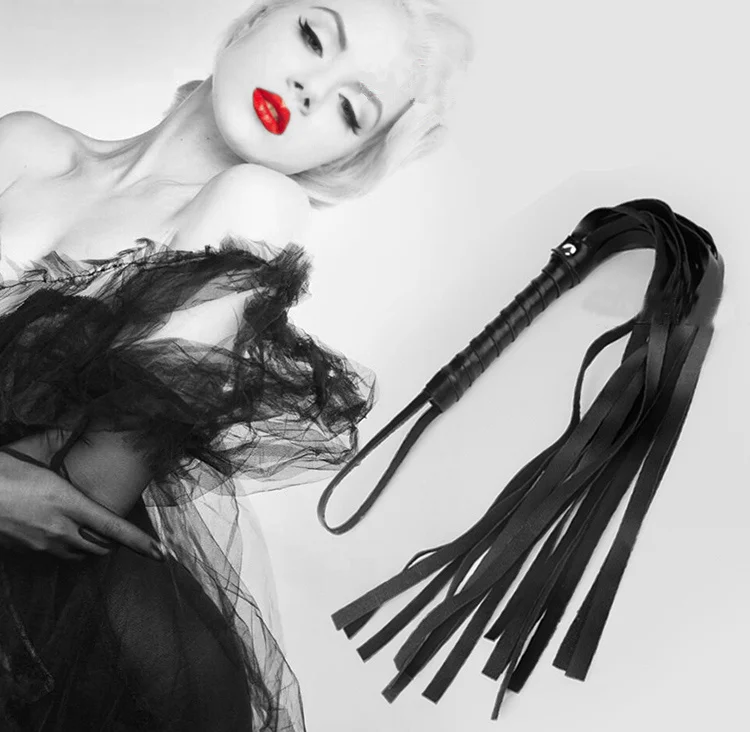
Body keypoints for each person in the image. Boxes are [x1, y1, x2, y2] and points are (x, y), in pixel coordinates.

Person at [0, 0, 473, 729]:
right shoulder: (26, 145)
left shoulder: (255, 204)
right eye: (313, 36)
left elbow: (91, 486)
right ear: (255, 20)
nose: (310, 89)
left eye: (351, 110)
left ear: (342, 158)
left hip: (65, 653)